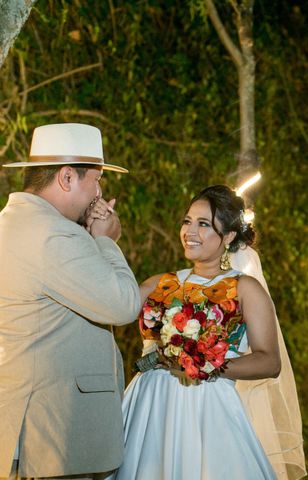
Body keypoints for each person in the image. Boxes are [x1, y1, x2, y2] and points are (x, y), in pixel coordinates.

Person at [109, 185, 305, 479]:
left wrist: (207, 366)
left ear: (227, 237)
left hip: (207, 408)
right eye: (187, 221)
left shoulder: (243, 289)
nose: (190, 231)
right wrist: (102, 240)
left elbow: (269, 361)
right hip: (149, 407)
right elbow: (110, 307)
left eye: (204, 225)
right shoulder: (160, 283)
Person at [0, 123, 141, 479]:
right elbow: (124, 304)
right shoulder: (55, 235)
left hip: (23, 427)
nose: (98, 192)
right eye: (95, 180)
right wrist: (106, 240)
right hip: (52, 437)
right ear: (66, 178)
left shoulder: (11, 223)